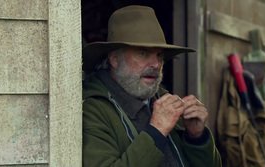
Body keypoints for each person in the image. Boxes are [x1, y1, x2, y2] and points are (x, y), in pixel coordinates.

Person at [82, 5, 222, 167]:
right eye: (143, 53)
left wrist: (196, 138)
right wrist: (157, 131)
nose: (156, 64)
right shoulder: (92, 109)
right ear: (114, 59)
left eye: (159, 55)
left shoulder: (163, 101)